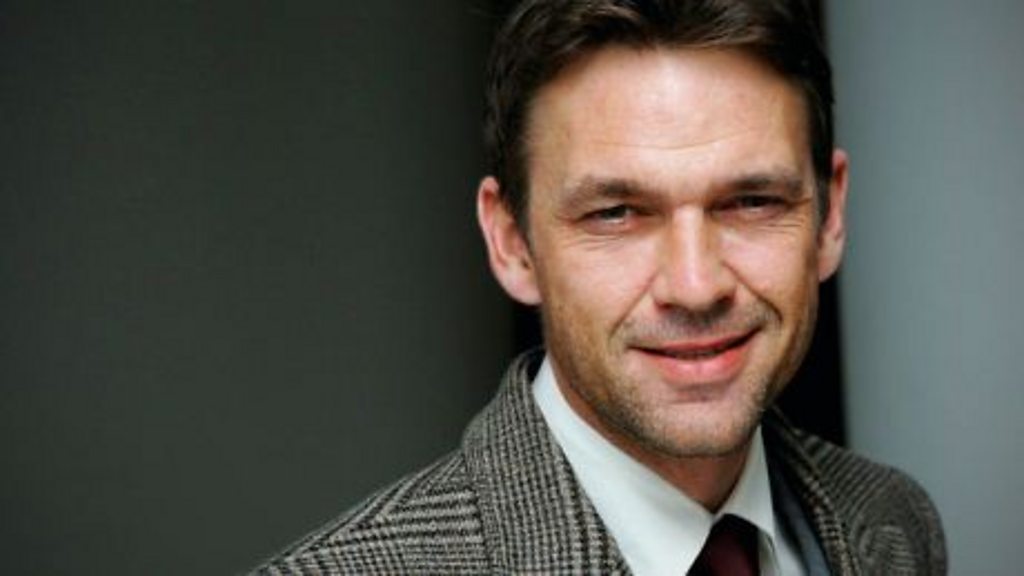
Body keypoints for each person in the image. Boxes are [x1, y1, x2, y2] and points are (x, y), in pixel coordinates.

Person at [253, 0, 946, 574]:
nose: (695, 286)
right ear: (511, 243)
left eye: (752, 201)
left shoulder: (893, 521)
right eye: (616, 213)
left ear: (830, 217)